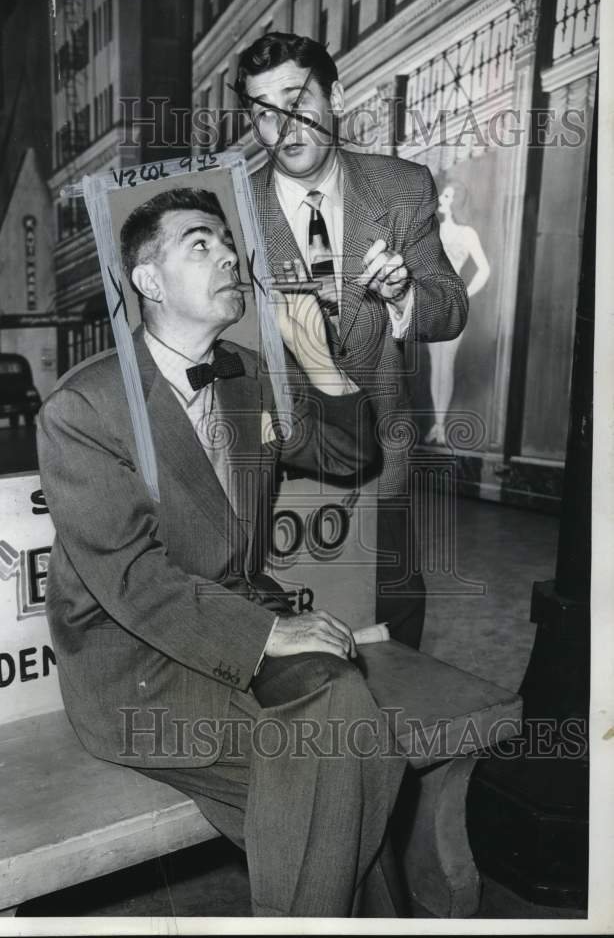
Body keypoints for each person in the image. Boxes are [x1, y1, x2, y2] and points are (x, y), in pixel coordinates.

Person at [37, 186, 407, 917]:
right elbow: (136, 583)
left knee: (342, 739)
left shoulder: (247, 374)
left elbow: (351, 456)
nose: (230, 257)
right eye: (200, 245)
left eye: (229, 245)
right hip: (138, 665)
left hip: (238, 618)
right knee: (350, 749)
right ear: (148, 280)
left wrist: (316, 358)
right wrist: (270, 634)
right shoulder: (84, 409)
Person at [236, 32, 470, 650]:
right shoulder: (229, 209)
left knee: (394, 627)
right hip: (273, 475)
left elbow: (450, 308)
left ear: (335, 98)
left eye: (297, 102)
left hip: (381, 466)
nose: (284, 127)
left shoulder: (402, 187)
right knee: (291, 649)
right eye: (264, 112)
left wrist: (403, 294)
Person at [426, 181, 491, 445]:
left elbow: (485, 269)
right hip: (431, 303)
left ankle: (441, 426)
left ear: (457, 202)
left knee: (447, 363)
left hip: (453, 304)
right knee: (436, 364)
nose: (441, 198)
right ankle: (437, 424)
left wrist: (466, 294)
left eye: (447, 196)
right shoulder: (432, 229)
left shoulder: (467, 233)